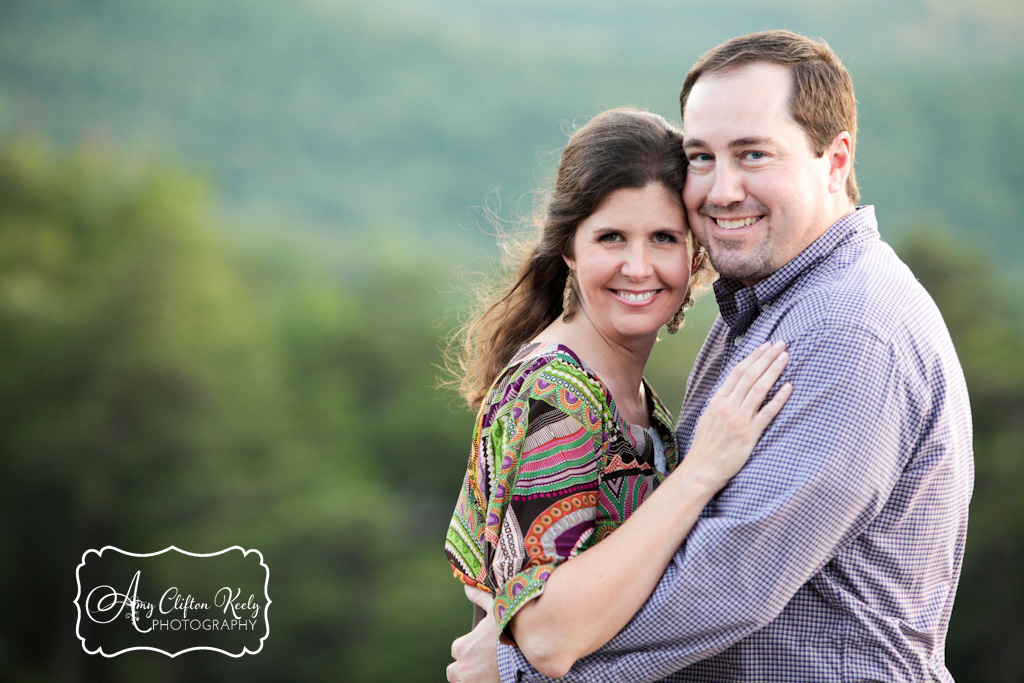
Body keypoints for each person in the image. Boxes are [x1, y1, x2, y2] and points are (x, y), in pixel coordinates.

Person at [450, 31, 974, 682]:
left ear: (835, 160)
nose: (723, 190)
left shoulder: (847, 332)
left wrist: (515, 663)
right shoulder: (765, 306)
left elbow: (723, 580)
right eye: (702, 157)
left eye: (753, 154)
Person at [443, 107, 793, 682]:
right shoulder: (555, 396)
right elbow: (550, 640)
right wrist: (700, 472)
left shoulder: (627, 396)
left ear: (694, 255)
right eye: (611, 238)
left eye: (663, 238)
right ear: (569, 251)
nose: (639, 267)